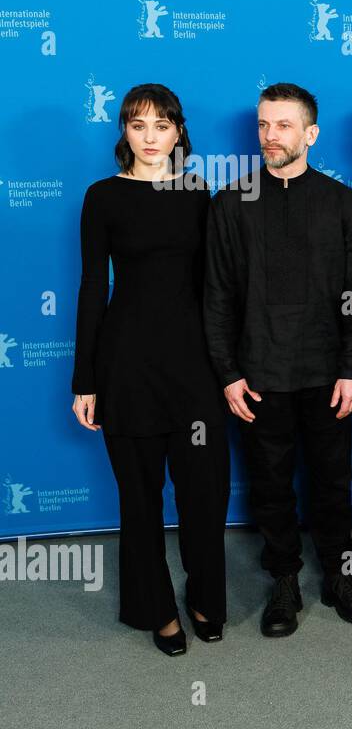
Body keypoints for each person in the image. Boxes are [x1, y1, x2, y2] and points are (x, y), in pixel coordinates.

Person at [205, 82, 352, 637]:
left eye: (282, 125)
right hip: (259, 376)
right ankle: (282, 582)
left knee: (332, 482)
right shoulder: (231, 204)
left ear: (311, 134)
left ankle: (338, 575)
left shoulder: (341, 204)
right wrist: (229, 373)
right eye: (263, 125)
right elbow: (218, 296)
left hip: (328, 374)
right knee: (270, 485)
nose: (270, 135)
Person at [72, 83, 229, 657]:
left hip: (194, 367)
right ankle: (156, 607)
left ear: (179, 133)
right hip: (126, 364)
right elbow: (93, 287)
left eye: (161, 126)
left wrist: (229, 367)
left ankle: (207, 595)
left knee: (203, 493)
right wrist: (84, 380)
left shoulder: (199, 196)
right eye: (138, 125)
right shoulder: (102, 197)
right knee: (139, 499)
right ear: (124, 133)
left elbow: (217, 289)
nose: (150, 137)